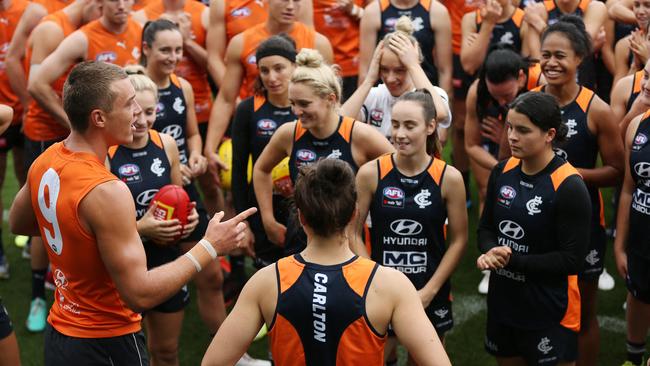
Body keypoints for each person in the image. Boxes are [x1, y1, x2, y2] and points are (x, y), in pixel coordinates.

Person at [9, 61, 256, 365]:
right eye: (129, 104)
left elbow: (19, 222)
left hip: (61, 333)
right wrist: (209, 246)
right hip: (107, 342)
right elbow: (139, 294)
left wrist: (83, 237)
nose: (138, 111)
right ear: (99, 118)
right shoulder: (108, 190)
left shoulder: (47, 159)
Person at [202, 159, 452, 366]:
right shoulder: (390, 285)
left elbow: (212, 364)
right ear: (355, 214)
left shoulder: (266, 282)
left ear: (300, 216)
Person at [532, 16, 624, 366]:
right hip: (535, 220)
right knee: (539, 308)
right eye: (546, 55)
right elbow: (507, 163)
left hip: (583, 225)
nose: (551, 63)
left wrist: (568, 176)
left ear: (580, 58)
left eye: (560, 55)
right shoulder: (528, 103)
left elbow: (617, 171)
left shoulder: (596, 110)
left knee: (584, 314)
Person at [353, 89, 467, 363]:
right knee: (379, 358)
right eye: (395, 124)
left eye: (409, 125)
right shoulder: (371, 173)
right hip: (381, 289)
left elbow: (460, 239)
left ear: (431, 127)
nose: (399, 133)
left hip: (430, 290)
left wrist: (430, 291)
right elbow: (352, 232)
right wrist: (373, 279)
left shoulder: (449, 178)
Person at [478, 91, 591, 366]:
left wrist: (512, 260)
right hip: (504, 303)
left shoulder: (569, 186)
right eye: (510, 127)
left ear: (549, 134)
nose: (512, 137)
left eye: (523, 130)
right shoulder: (502, 171)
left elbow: (571, 260)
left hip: (550, 309)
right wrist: (490, 251)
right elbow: (485, 229)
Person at [253, 48, 394, 255]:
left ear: (330, 98)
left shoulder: (357, 135)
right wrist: (268, 219)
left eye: (304, 104)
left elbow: (398, 170)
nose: (296, 112)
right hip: (300, 239)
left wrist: (367, 204)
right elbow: (261, 170)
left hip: (346, 244)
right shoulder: (289, 134)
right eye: (293, 103)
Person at [108, 69, 198, 366]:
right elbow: (93, 225)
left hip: (165, 261)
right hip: (124, 266)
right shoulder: (105, 153)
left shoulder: (166, 145)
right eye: (135, 113)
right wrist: (140, 228)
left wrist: (190, 219)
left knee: (167, 351)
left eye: (149, 112)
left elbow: (179, 197)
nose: (143, 120)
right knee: (128, 356)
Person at [21, 0, 100, 333]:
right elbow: (35, 83)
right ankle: (38, 295)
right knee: (45, 215)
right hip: (46, 133)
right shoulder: (54, 29)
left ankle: (65, 280)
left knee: (76, 212)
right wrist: (72, 123)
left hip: (75, 137)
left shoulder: (83, 30)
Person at [203, 0, 332, 174]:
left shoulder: (318, 44)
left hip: (304, 134)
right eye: (285, 0)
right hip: (256, 128)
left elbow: (329, 100)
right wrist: (210, 148)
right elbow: (226, 98)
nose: (290, 6)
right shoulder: (241, 42)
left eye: (297, 1)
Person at [231, 35, 297, 267]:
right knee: (269, 279)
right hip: (261, 207)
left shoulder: (306, 105)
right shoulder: (248, 110)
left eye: (279, 68)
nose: (272, 77)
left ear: (295, 66)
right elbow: (238, 171)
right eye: (264, 70)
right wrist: (244, 223)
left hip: (303, 208)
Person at [341, 16, 451, 141]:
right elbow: (340, 123)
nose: (390, 79)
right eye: (384, 69)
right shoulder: (375, 96)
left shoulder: (435, 94)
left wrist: (414, 65)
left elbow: (440, 114)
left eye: (400, 70)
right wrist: (369, 80)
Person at [614, 101, 650, 366]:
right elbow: (628, 188)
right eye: (646, 76)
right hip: (640, 237)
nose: (646, 84)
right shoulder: (637, 125)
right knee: (638, 293)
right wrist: (619, 244)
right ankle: (633, 357)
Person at [358, 0, 453, 96]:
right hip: (387, 90)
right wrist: (362, 106)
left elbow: (444, 70)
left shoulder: (436, 11)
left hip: (424, 91)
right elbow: (365, 70)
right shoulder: (373, 11)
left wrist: (445, 104)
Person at [0, 0, 29, 282]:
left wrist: (27, 102)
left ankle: (31, 237)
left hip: (20, 113)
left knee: (25, 177)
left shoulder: (24, 10)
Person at [460, 0, 533, 75]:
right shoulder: (471, 19)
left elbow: (525, 69)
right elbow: (469, 67)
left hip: (509, 81)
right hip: (478, 81)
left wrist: (479, 44)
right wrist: (488, 24)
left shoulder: (524, 20)